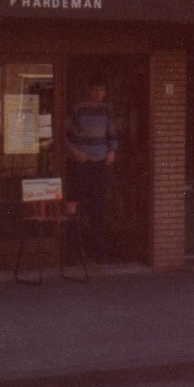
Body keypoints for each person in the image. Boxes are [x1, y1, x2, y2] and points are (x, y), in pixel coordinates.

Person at [65, 77, 119, 262]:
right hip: (82, 162)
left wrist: (112, 151)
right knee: (76, 204)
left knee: (100, 207)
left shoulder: (107, 109)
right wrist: (75, 152)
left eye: (101, 89)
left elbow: (112, 134)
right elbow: (65, 136)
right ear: (89, 89)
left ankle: (99, 253)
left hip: (101, 162)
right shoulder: (78, 109)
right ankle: (73, 253)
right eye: (95, 89)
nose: (98, 93)